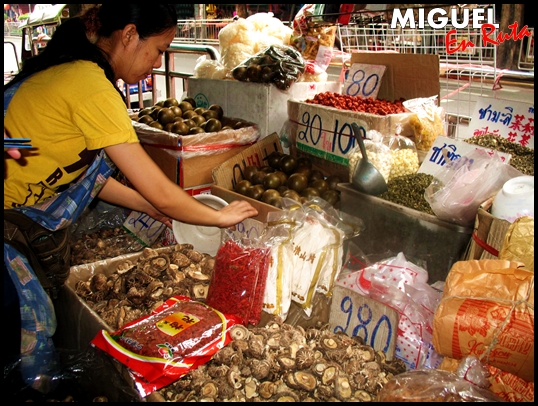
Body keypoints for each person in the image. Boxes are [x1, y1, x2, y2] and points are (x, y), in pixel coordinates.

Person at [3, 4, 258, 392]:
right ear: (128, 35)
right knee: (23, 343)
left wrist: (153, 208)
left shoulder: (80, 75)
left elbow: (91, 178)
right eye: (158, 49)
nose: (158, 63)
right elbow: (157, 187)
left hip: (17, 213)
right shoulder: (90, 86)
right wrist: (219, 217)